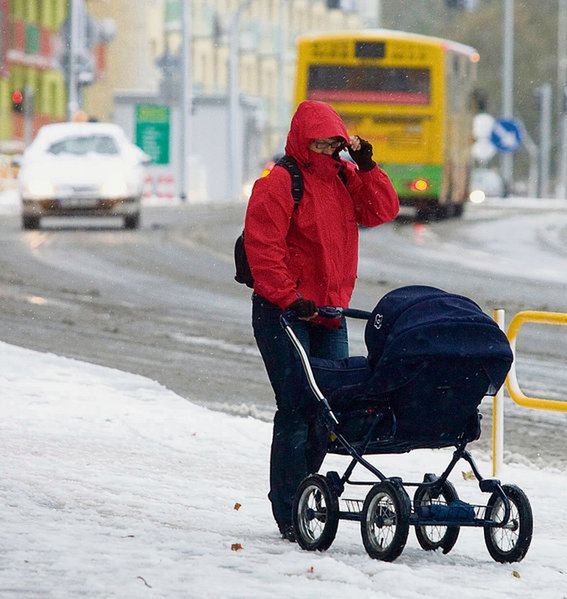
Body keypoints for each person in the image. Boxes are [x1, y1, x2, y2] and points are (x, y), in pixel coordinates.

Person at [244, 100, 399, 541]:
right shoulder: (279, 184)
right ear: (301, 139)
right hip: (284, 313)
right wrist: (290, 300)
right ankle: (288, 509)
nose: (328, 148)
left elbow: (383, 210)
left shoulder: (345, 180)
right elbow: (264, 250)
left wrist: (366, 165)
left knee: (328, 412)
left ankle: (305, 496)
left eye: (334, 141)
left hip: (329, 313)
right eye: (320, 141)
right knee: (296, 407)